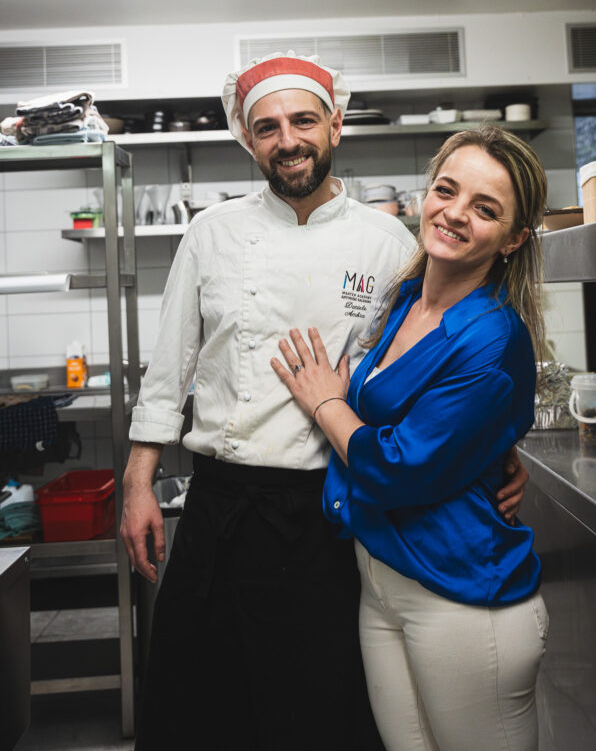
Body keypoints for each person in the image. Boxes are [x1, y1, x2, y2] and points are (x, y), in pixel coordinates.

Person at [120, 53, 530, 751]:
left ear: (334, 124)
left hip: (324, 514)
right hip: (219, 506)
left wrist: (495, 447)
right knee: (197, 708)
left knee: (313, 716)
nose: (288, 140)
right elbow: (170, 367)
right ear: (248, 141)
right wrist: (137, 479)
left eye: (303, 120)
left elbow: (416, 368)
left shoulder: (385, 241)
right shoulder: (210, 233)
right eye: (268, 127)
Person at [271, 125, 549, 751]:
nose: (454, 214)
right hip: (382, 584)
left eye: (485, 209)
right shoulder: (406, 303)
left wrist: (325, 403)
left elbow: (398, 464)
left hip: (462, 602)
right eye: (446, 191)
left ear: (514, 238)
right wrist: (492, 453)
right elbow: (429, 421)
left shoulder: (493, 336)